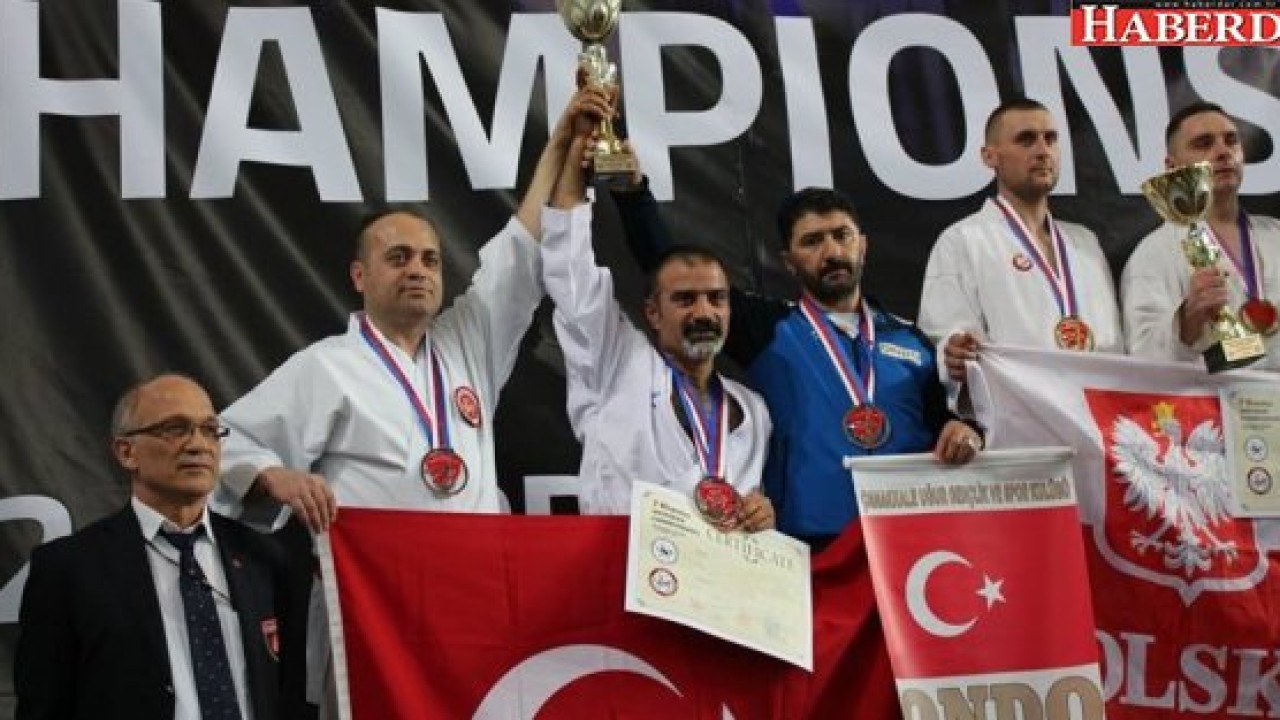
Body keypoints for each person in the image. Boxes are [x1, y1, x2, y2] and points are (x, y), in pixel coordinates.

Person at [215, 87, 609, 532]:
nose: (417, 270)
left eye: (429, 260)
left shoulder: (468, 342)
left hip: (473, 567)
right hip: (378, 573)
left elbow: (520, 248)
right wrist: (273, 475)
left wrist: (561, 144)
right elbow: (224, 442)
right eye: (398, 258)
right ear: (360, 276)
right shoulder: (326, 367)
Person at [611, 183, 981, 549]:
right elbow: (669, 263)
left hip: (904, 543)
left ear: (863, 246)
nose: (832, 252)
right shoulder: (767, 328)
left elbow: (944, 422)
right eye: (812, 241)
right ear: (788, 261)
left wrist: (965, 431)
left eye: (842, 236)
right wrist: (632, 193)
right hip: (808, 547)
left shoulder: (910, 340)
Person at [15, 374, 299, 720]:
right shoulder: (68, 568)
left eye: (210, 430)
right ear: (126, 452)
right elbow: (43, 705)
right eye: (175, 429)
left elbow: (290, 691)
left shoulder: (263, 558)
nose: (198, 445)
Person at [541, 120, 774, 530]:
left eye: (716, 298)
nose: (703, 312)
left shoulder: (753, 411)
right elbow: (571, 271)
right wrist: (577, 156)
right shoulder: (616, 366)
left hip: (722, 570)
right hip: (623, 565)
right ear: (653, 312)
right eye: (684, 299)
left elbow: (754, 506)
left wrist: (762, 513)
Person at [918, 97, 1123, 403]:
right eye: (1026, 140)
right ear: (990, 156)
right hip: (1018, 417)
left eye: (1050, 139)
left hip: (1097, 417)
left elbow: (1114, 346)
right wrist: (954, 354)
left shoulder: (1085, 243)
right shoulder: (963, 240)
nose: (1043, 150)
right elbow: (946, 337)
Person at [1122, 100, 1280, 370]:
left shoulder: (1275, 234)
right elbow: (1142, 357)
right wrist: (1187, 320)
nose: (1223, 152)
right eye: (1204, 144)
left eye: (1231, 141)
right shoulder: (1153, 254)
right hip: (1212, 395)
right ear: (1172, 167)